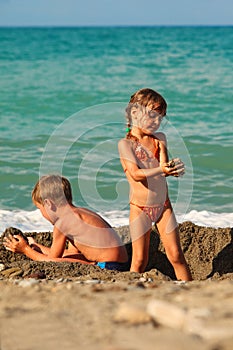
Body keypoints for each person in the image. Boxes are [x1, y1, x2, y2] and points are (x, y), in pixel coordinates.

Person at [118, 88, 192, 280]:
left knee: (176, 256)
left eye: (161, 117)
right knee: (139, 260)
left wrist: (173, 170)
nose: (157, 122)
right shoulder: (125, 145)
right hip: (140, 208)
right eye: (152, 115)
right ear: (134, 112)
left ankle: (191, 290)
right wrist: (162, 170)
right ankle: (130, 293)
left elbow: (163, 169)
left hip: (163, 205)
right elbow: (135, 174)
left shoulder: (160, 139)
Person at [3, 175, 129, 271]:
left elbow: (52, 260)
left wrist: (25, 250)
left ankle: (92, 265)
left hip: (107, 266)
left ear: (48, 204)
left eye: (40, 208)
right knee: (67, 259)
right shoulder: (80, 213)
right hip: (121, 263)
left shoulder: (62, 222)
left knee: (62, 262)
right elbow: (71, 254)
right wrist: (37, 247)